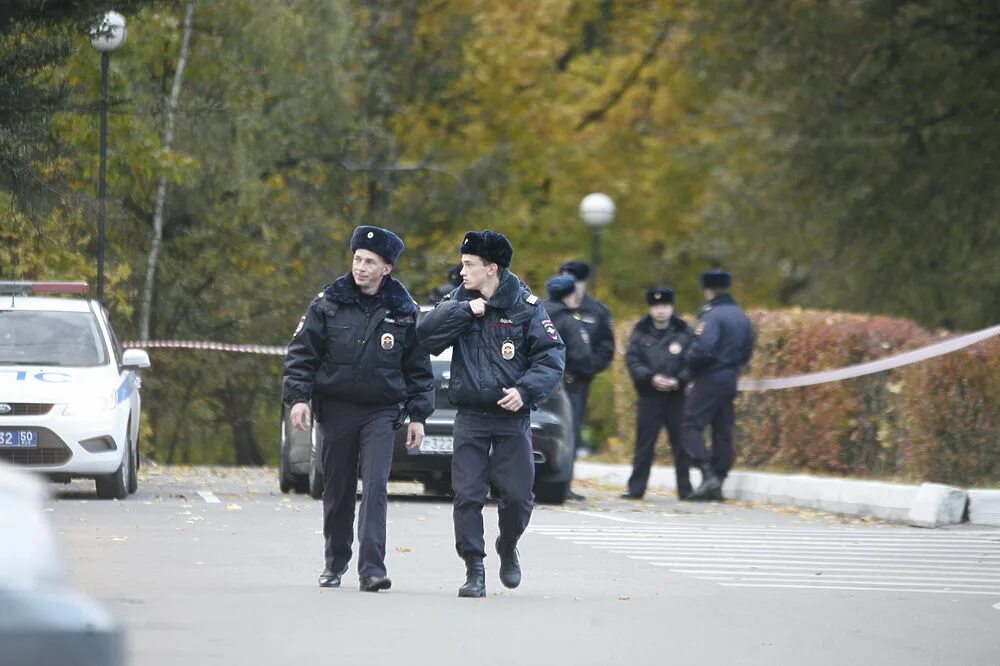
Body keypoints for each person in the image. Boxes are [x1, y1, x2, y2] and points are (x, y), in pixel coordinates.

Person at [282, 225, 434, 591]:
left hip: (381, 412)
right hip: (336, 409)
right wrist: (299, 398)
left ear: (387, 269)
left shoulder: (403, 312)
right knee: (338, 490)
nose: (361, 267)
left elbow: (418, 368)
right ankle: (334, 562)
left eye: (370, 262)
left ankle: (372, 569)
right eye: (357, 259)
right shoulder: (327, 304)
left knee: (377, 487)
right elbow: (302, 355)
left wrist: (417, 416)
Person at [417, 230, 565, 598]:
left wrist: (525, 390)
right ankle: (474, 568)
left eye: (469, 265)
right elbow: (426, 337)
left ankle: (508, 544)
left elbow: (551, 357)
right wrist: (464, 309)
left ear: (492, 269)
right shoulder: (459, 300)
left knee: (517, 497)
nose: (462, 271)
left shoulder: (526, 307)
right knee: (467, 495)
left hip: (511, 419)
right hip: (469, 416)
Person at [681, 268, 755, 501]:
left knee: (689, 423)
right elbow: (747, 349)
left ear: (707, 291)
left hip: (710, 376)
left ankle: (707, 472)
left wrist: (688, 368)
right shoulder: (741, 315)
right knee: (722, 428)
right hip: (731, 376)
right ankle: (719, 480)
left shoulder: (712, 316)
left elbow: (702, 348)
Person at [623, 287, 693, 500]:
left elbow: (693, 360)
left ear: (671, 307)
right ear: (650, 309)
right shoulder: (640, 331)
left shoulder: (684, 332)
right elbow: (633, 360)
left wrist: (678, 379)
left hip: (676, 396)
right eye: (656, 306)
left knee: (681, 445)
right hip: (649, 396)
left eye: (664, 306)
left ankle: (685, 489)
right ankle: (636, 488)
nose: (660, 311)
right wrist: (650, 377)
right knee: (644, 444)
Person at [543, 273, 594, 500]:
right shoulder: (568, 320)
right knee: (568, 433)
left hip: (530, 383)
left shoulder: (535, 313)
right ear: (570, 295)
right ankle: (563, 484)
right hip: (566, 385)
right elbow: (582, 356)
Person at [558, 260, 615, 461]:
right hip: (548, 377)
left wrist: (589, 368)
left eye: (575, 281)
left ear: (584, 283)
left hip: (577, 379)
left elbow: (606, 346)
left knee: (572, 426)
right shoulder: (548, 307)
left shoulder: (597, 311)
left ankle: (566, 478)